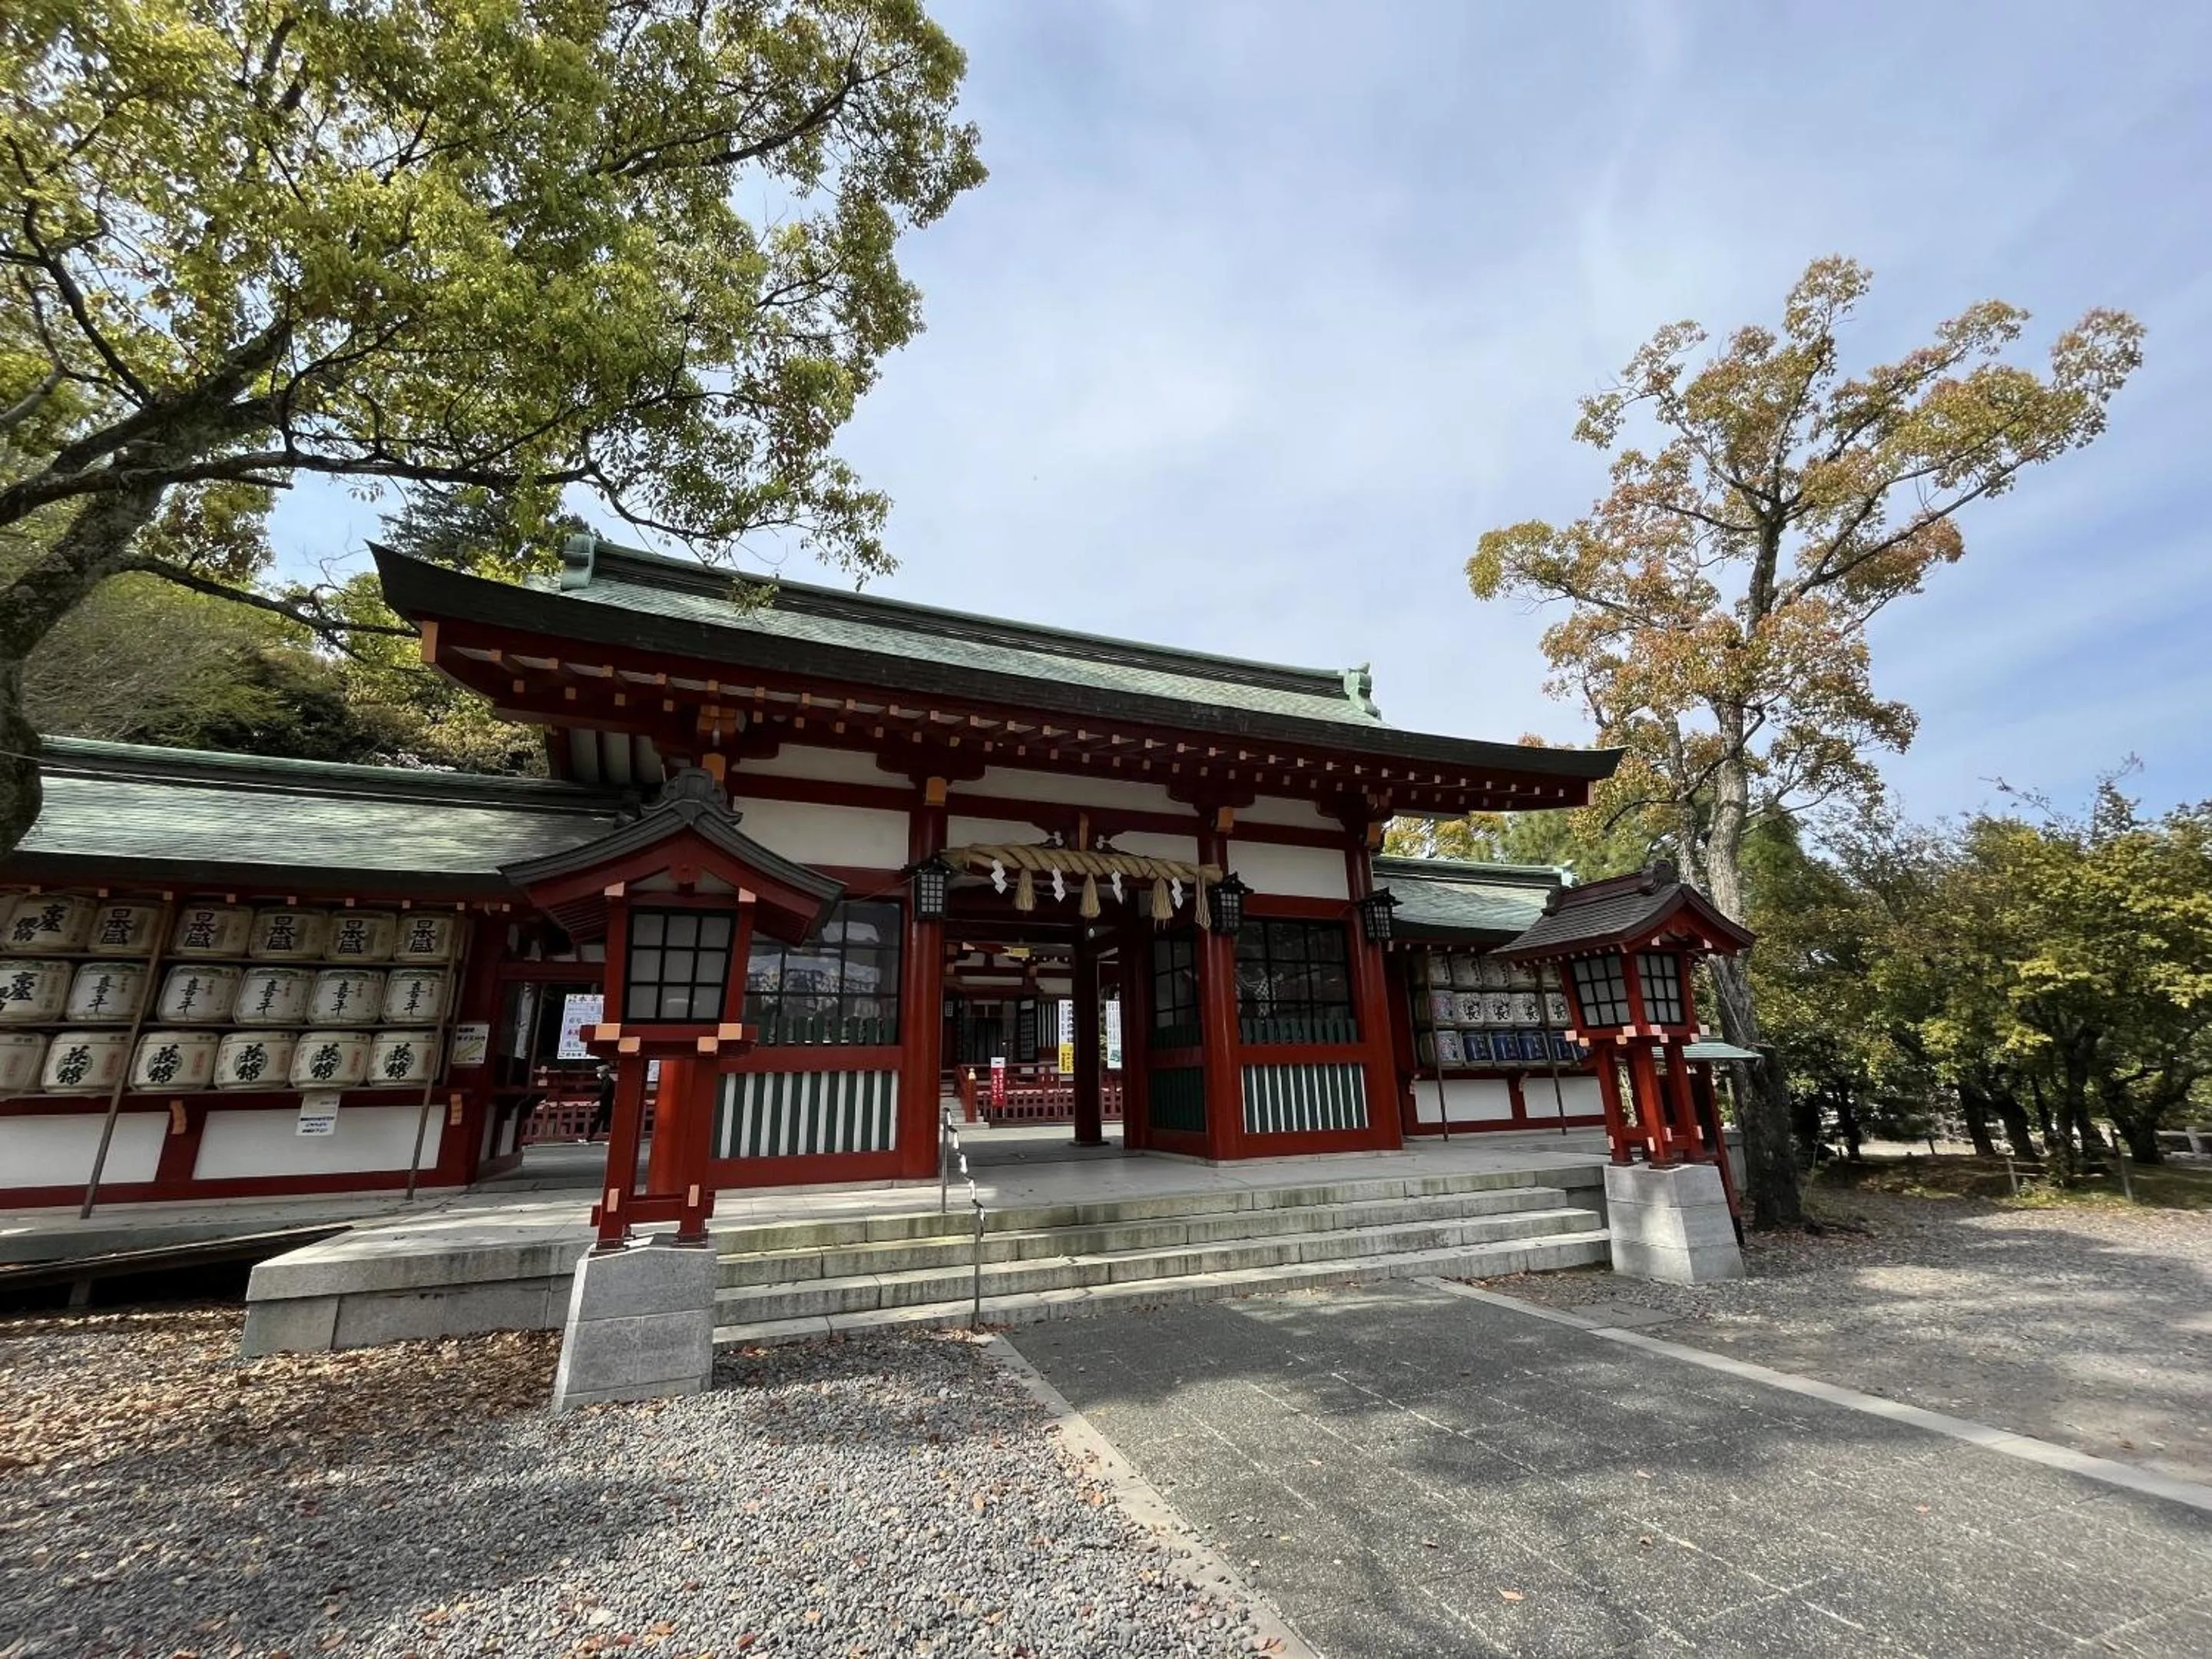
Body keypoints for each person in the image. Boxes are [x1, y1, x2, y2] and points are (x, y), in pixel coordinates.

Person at [582, 1061, 616, 1144]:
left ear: (604, 1073)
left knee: (603, 1122)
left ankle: (590, 1138)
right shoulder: (605, 1081)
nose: (598, 1074)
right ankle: (588, 1138)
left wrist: (593, 1102)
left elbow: (603, 1094)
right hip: (605, 1104)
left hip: (606, 1105)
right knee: (600, 1122)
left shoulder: (608, 1082)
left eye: (600, 1072)